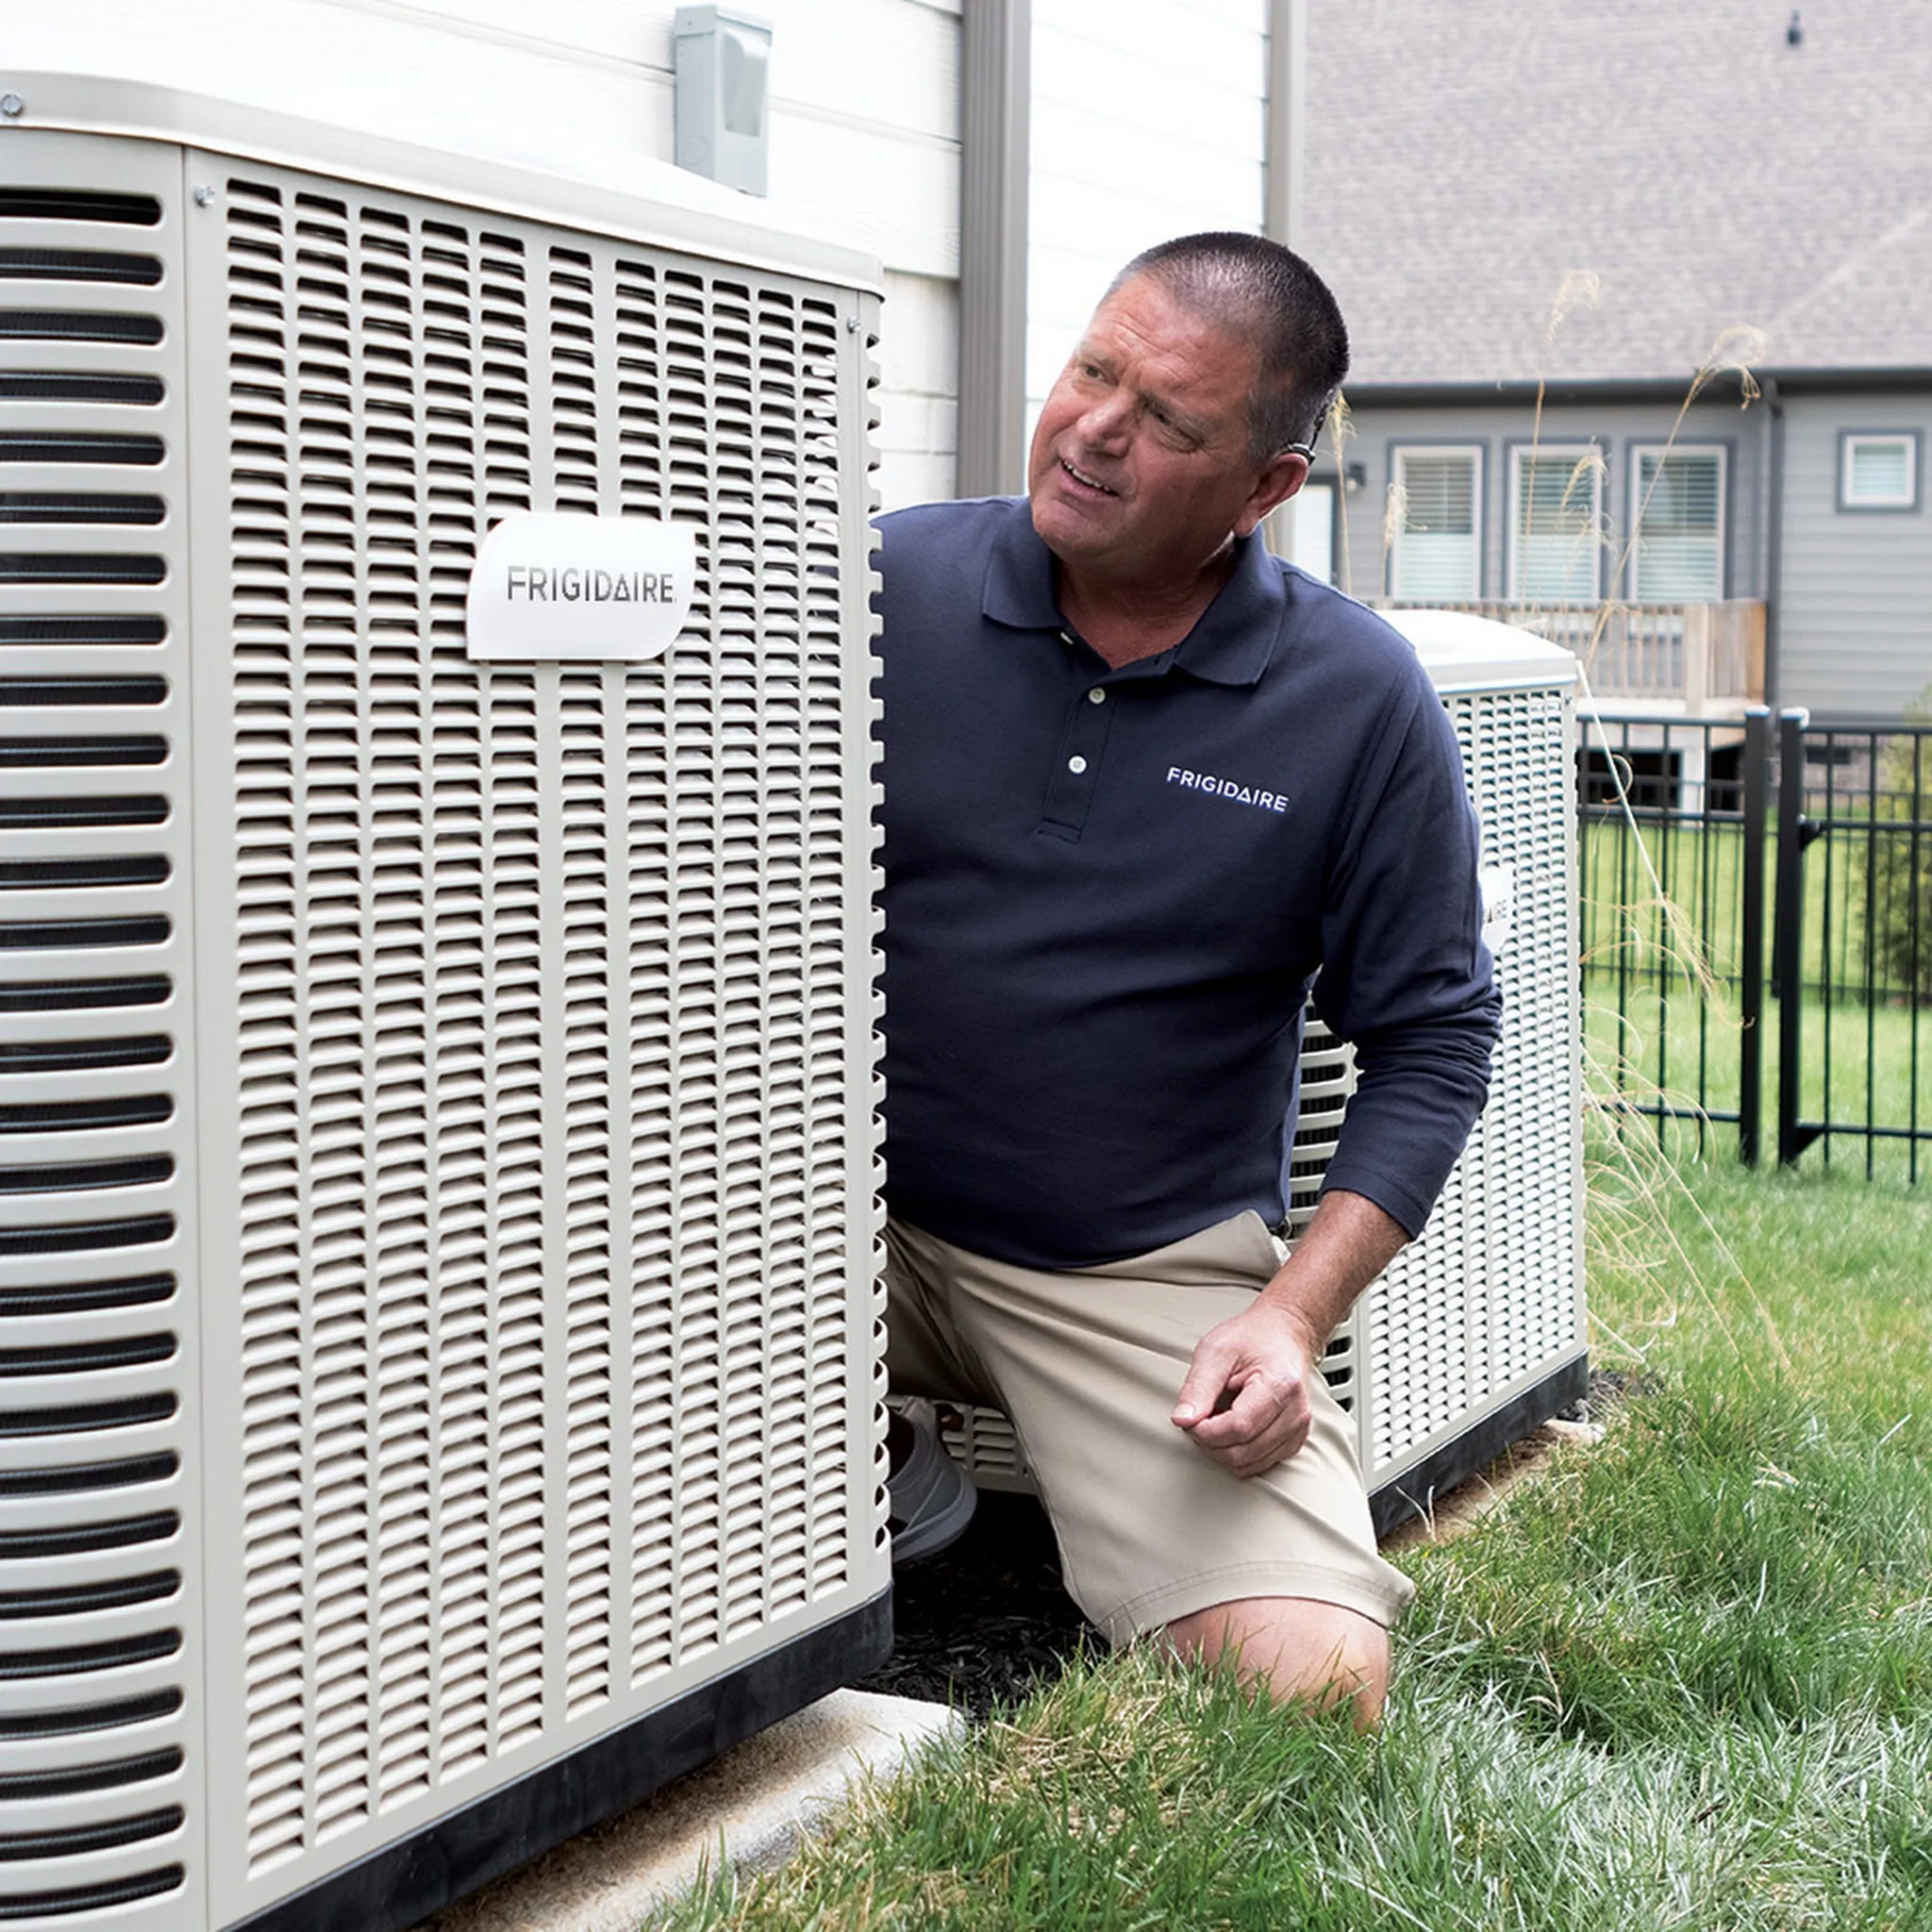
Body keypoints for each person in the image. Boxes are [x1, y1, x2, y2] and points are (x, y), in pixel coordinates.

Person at [874, 232, 1499, 1723]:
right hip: (820, 1224)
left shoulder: (1357, 698)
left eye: (1170, 421)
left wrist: (1289, 1317)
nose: (1096, 429)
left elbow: (1436, 1037)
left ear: (1265, 488)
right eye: (1095, 370)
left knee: (1312, 1691)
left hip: (1129, 1271)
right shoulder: (884, 582)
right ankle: (881, 1459)